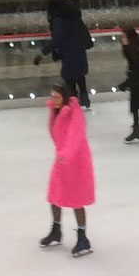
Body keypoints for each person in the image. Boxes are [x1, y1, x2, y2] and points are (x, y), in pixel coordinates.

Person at [40, 81, 96, 255]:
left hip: (76, 162)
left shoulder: (75, 113)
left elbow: (76, 135)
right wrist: (62, 155)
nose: (54, 100)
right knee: (54, 196)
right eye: (52, 97)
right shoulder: (55, 112)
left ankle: (82, 237)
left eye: (57, 97)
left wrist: (66, 154)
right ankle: (56, 230)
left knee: (76, 200)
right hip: (62, 159)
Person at [39, 0, 93, 106]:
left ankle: (74, 105)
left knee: (70, 80)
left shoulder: (58, 17)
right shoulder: (72, 10)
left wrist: (43, 51)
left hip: (68, 52)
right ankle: (85, 100)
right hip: (78, 48)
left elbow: (58, 38)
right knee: (80, 76)